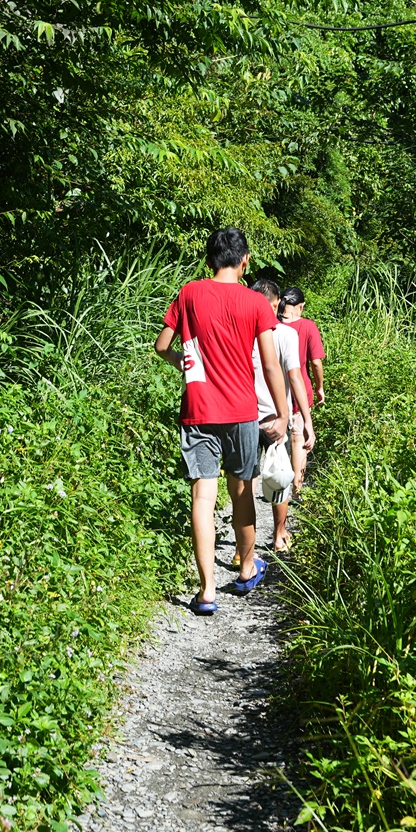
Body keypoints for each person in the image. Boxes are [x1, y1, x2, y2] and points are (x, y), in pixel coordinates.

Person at [154, 228, 289, 616]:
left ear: (208, 260)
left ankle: (207, 589)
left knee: (203, 495)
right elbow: (269, 364)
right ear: (244, 261)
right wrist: (281, 414)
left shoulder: (190, 293)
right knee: (241, 490)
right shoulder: (255, 303)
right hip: (242, 412)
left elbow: (164, 345)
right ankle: (247, 569)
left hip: (199, 408)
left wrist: (185, 363)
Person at [248, 279, 314, 553]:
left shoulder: (242, 332)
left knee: (245, 484)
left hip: (245, 417)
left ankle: (243, 547)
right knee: (280, 477)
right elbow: (296, 379)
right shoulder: (287, 334)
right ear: (277, 304)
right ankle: (279, 534)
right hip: (278, 418)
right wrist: (306, 419)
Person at [278, 286, 325, 493]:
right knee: (299, 439)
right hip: (300, 391)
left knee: (277, 440)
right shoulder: (308, 326)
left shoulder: (272, 324)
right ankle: (297, 487)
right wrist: (319, 387)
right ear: (300, 306)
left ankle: (275, 484)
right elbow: (315, 362)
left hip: (276, 389)